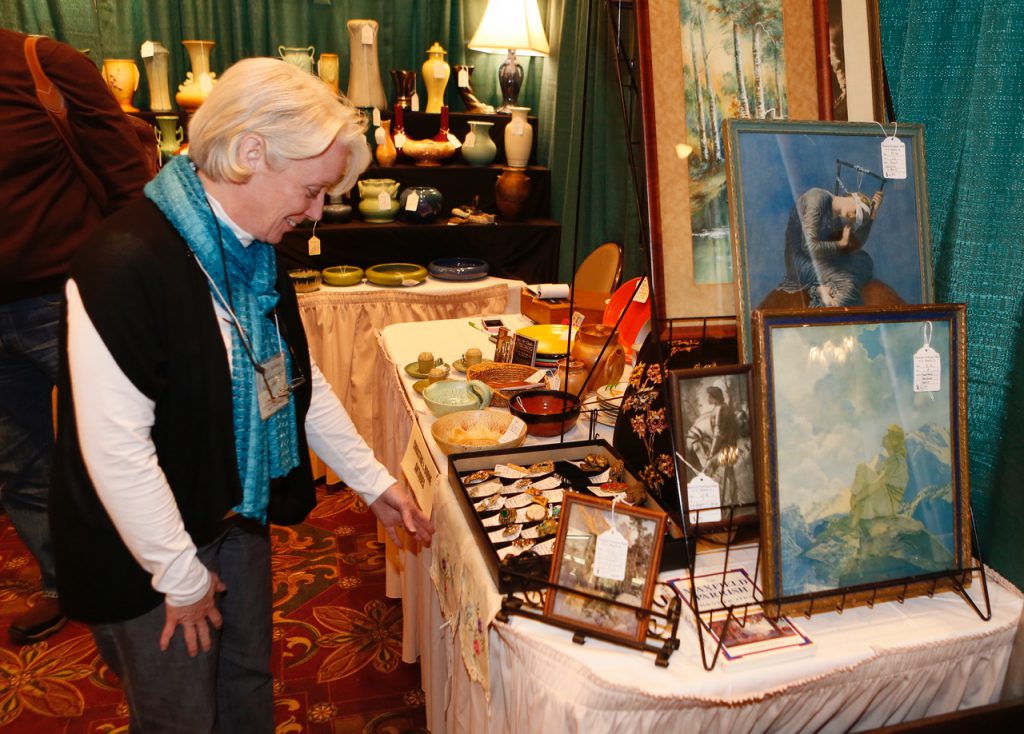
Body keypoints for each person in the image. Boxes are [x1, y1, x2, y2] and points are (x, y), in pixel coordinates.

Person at [49, 57, 433, 733]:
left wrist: (372, 482)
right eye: (312, 190)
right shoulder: (124, 261)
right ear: (251, 153)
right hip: (149, 546)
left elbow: (290, 383)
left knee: (248, 681)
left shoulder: (253, 253)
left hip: (234, 509)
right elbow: (115, 451)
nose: (316, 213)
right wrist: (181, 577)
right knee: (182, 717)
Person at [0, 29, 152, 645]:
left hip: (64, 301)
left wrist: (135, 288)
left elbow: (127, 182)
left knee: (130, 444)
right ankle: (62, 582)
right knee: (18, 465)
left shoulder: (43, 64)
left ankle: (153, 575)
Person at [776, 187, 884, 307]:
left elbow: (851, 247)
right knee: (848, 283)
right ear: (853, 198)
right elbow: (809, 247)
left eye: (857, 219)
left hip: (822, 258)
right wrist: (840, 244)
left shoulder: (836, 214)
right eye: (856, 212)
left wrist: (872, 216)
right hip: (802, 260)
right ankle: (821, 293)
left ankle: (826, 287)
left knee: (864, 261)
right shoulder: (815, 199)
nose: (853, 218)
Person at [703, 386, 740, 506]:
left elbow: (718, 435)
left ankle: (709, 502)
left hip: (725, 449)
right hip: (732, 447)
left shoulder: (720, 409)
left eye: (709, 396)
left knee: (707, 470)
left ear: (714, 397)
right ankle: (734, 502)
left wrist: (711, 453)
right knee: (730, 475)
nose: (707, 398)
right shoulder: (727, 408)